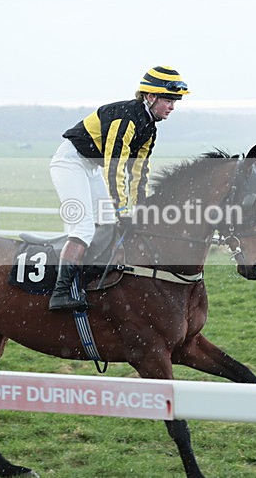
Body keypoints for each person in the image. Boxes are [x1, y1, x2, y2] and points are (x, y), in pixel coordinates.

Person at [48, 66, 190, 311]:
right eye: (168, 100)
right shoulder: (126, 118)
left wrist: (141, 208)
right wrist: (123, 209)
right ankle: (60, 293)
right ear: (151, 96)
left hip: (92, 168)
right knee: (83, 228)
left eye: (175, 102)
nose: (172, 107)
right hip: (71, 162)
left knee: (107, 225)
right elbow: (115, 168)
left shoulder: (149, 127)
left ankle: (87, 282)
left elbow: (138, 172)